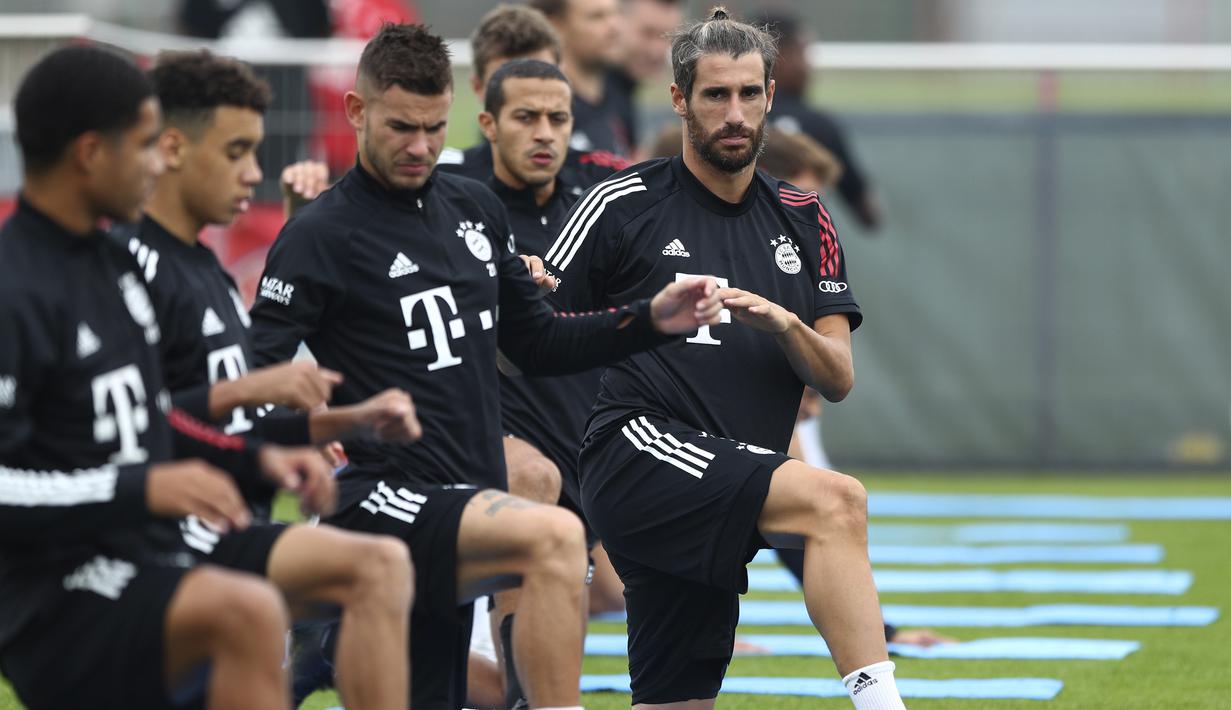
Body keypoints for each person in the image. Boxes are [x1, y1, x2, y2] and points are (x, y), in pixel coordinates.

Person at [247, 22, 724, 710]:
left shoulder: (471, 208)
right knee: (555, 537)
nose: (419, 147)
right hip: (387, 494)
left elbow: (538, 343)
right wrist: (308, 437)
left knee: (455, 689)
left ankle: (328, 642)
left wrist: (649, 319)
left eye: (434, 128)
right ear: (356, 112)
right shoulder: (318, 235)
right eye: (400, 127)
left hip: (464, 494)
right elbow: (249, 378)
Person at [544, 9, 907, 708]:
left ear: (771, 95)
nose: (733, 113)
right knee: (835, 499)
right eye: (714, 95)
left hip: (726, 473)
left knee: (677, 699)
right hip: (636, 454)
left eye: (748, 93)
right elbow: (533, 331)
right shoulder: (622, 204)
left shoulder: (804, 215)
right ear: (679, 100)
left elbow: (836, 378)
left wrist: (782, 325)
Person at [0, 44, 308, 710]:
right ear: (89, 153)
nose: (156, 161)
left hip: (143, 554)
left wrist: (262, 460)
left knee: (367, 568)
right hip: (50, 591)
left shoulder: (114, 268)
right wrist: (141, 486)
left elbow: (154, 418)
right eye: (144, 144)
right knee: (249, 611)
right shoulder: (14, 287)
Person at [116, 49, 417, 709]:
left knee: (383, 564)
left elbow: (228, 421)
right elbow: (123, 424)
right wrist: (247, 393)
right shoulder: (129, 269)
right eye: (236, 151)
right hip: (159, 542)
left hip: (231, 525)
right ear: (172, 148)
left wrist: (334, 424)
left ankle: (311, 651)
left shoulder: (205, 270)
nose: (254, 171)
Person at [438, 3, 628, 188]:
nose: (529, 94)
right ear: (478, 87)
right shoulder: (443, 179)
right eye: (506, 79)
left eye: (542, 74)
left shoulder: (605, 178)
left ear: (563, 76)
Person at [755, 10, 883, 230]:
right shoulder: (820, 127)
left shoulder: (725, 120)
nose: (808, 67)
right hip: (800, 253)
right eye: (803, 53)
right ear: (779, 58)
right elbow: (869, 214)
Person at [529, 0, 632, 156]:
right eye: (597, 17)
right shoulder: (538, 110)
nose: (615, 27)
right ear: (554, 27)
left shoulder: (620, 95)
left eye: (617, 13)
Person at [610, 0, 684, 158]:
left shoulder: (627, 93)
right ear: (616, 23)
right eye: (647, 33)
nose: (657, 50)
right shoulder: (589, 94)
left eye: (666, 37)